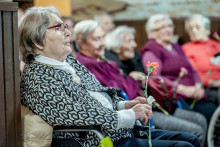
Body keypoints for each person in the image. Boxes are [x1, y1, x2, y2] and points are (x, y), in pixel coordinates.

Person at [19, 6, 200, 147]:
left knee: (191, 139)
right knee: (183, 145)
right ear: (37, 41)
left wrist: (123, 104)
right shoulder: (38, 77)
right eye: (59, 28)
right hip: (99, 140)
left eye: (65, 26)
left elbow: (98, 96)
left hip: (119, 131)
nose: (68, 32)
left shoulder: (68, 62)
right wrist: (129, 114)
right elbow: (77, 113)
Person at [105, 25, 207, 147]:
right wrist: (133, 79)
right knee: (196, 132)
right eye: (129, 41)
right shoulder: (114, 67)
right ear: (116, 47)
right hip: (144, 112)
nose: (134, 45)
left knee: (200, 119)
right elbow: (124, 96)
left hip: (158, 104)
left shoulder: (135, 59)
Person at [139, 14, 216, 125]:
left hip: (193, 94)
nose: (168, 30)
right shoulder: (151, 51)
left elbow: (192, 69)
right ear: (152, 33)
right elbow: (155, 78)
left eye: (170, 26)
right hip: (176, 99)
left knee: (213, 111)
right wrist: (183, 89)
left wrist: (198, 86)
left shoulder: (176, 47)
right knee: (205, 116)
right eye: (162, 27)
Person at [75, 20, 144, 100]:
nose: (102, 43)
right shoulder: (85, 68)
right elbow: (118, 99)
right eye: (97, 39)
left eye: (103, 38)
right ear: (82, 44)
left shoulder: (106, 62)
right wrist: (132, 79)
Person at [182, 14, 220, 106]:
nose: (194, 31)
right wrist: (212, 82)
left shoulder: (217, 45)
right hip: (204, 88)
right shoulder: (185, 49)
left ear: (207, 30)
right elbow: (190, 73)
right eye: (190, 28)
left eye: (197, 27)